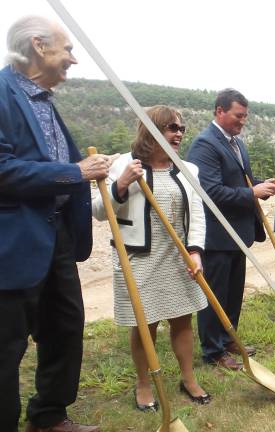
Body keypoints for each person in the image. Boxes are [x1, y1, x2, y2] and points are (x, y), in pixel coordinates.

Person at [0, 16, 109, 432]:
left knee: (65, 329)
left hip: (57, 236)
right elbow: (3, 169)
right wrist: (74, 173)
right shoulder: (2, 93)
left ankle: (49, 416)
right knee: (6, 347)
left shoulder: (43, 101)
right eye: (67, 49)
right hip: (13, 241)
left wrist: (86, 173)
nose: (73, 60)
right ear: (38, 45)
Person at [92, 105, 211, 409]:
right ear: (152, 130)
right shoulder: (123, 165)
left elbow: (197, 215)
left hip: (178, 256)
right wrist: (121, 185)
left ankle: (189, 378)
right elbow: (98, 211)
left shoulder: (188, 170)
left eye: (181, 128)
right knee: (144, 325)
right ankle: (144, 385)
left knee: (183, 320)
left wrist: (195, 251)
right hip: (138, 259)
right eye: (172, 127)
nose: (179, 133)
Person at [187, 89, 275, 370]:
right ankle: (213, 350)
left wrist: (264, 187)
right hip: (216, 234)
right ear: (220, 111)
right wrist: (253, 191)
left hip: (237, 234)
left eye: (245, 117)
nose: (242, 122)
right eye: (238, 116)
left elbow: (240, 182)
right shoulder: (205, 144)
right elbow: (211, 191)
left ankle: (229, 339)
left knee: (232, 292)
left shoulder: (236, 143)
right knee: (215, 293)